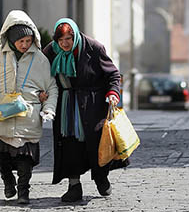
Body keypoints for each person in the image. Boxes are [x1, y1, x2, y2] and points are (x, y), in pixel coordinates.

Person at [42, 17, 129, 202]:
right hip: (65, 106)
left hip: (93, 104)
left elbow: (112, 74)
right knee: (69, 144)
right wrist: (41, 93)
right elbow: (41, 76)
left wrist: (113, 92)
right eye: (61, 40)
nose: (65, 44)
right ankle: (74, 185)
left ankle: (101, 177)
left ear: (75, 36)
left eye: (69, 39)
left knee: (97, 142)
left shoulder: (93, 48)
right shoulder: (49, 52)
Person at [0, 10, 58, 204]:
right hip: (1, 114)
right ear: (11, 38)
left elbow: (51, 87)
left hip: (28, 116)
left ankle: (24, 191)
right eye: (21, 41)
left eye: (28, 41)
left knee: (26, 159)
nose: (25, 45)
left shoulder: (40, 59)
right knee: (2, 156)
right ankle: (8, 181)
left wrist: (48, 108)